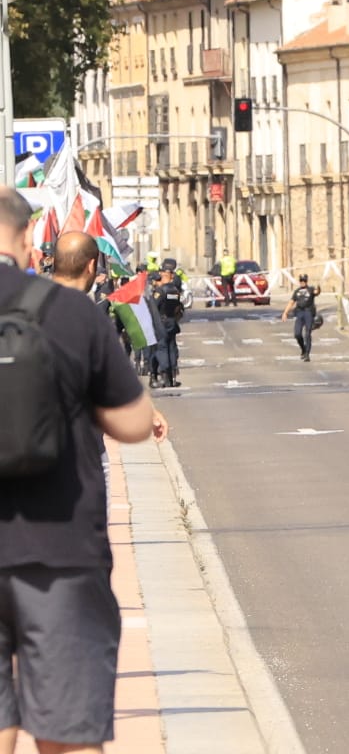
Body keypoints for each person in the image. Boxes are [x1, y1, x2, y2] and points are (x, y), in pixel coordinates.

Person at [0, 186, 167, 754]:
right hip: (59, 551)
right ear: (27, 239)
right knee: (67, 730)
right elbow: (134, 423)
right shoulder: (72, 313)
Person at [149, 269, 184, 390]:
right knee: (172, 348)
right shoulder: (175, 291)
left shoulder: (161, 291)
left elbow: (154, 306)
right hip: (172, 321)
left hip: (161, 322)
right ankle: (173, 375)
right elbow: (179, 307)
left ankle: (165, 375)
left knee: (161, 348)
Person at [281, 275, 319, 362]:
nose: (302, 282)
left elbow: (316, 292)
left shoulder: (311, 289)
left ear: (306, 281)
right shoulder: (297, 291)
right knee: (297, 334)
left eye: (304, 280)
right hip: (300, 313)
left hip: (308, 312)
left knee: (307, 333)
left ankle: (307, 354)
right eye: (301, 280)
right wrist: (285, 313)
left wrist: (319, 289)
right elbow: (291, 302)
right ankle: (303, 349)